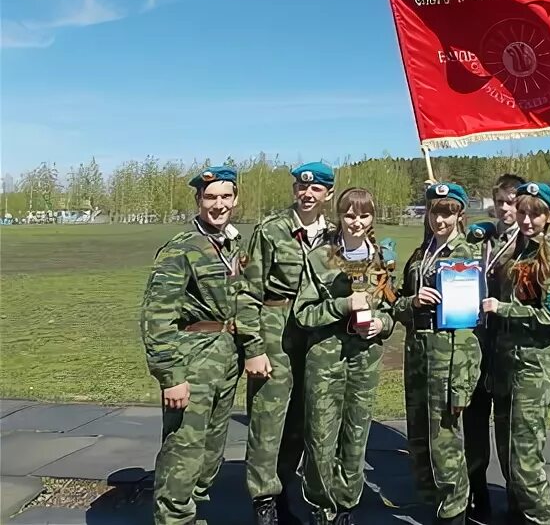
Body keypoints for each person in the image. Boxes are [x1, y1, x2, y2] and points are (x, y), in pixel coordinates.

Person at [141, 166, 247, 525]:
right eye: (211, 197)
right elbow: (157, 316)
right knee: (183, 450)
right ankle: (173, 518)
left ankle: (193, 509)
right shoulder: (182, 249)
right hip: (192, 358)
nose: (219, 205)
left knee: (212, 450)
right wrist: (171, 374)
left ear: (235, 199)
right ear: (199, 201)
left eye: (225, 196)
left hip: (225, 356)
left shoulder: (233, 244)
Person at [293, 187, 397, 524]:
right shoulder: (321, 257)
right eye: (350, 215)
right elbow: (303, 313)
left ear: (372, 218)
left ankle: (348, 503)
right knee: (321, 435)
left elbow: (391, 309)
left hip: (365, 358)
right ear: (340, 216)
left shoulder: (381, 258)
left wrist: (380, 323)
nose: (356, 222)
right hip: (326, 358)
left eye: (364, 215)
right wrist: (342, 305)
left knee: (356, 433)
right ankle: (322, 505)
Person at [240, 161, 336, 525]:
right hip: (276, 330)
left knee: (301, 420)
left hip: (317, 339)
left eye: (315, 189)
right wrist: (253, 348)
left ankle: (286, 491)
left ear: (327, 193)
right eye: (301, 187)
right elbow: (248, 292)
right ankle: (264, 498)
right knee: (268, 418)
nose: (307, 194)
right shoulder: (271, 231)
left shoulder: (335, 237)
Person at [481, 182, 550, 525]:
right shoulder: (515, 252)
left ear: (549, 217)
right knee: (507, 453)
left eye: (534, 213)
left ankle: (541, 517)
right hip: (506, 362)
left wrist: (504, 309)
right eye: (522, 212)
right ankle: (519, 513)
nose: (526, 219)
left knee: (524, 456)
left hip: (533, 365)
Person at [393, 182, 483, 525]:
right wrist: (411, 302)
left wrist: (462, 377)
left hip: (448, 355)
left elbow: (469, 326)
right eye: (434, 211)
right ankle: (433, 505)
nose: (440, 219)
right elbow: (399, 301)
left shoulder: (466, 256)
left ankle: (454, 511)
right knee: (419, 434)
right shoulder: (420, 255)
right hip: (417, 350)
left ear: (460, 214)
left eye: (448, 212)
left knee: (444, 438)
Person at [463, 173, 525, 523]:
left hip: (510, 345)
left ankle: (516, 495)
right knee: (473, 422)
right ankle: (477, 489)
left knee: (509, 426)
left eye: (512, 202)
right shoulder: (480, 239)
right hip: (477, 343)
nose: (506, 209)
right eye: (500, 202)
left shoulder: (532, 243)